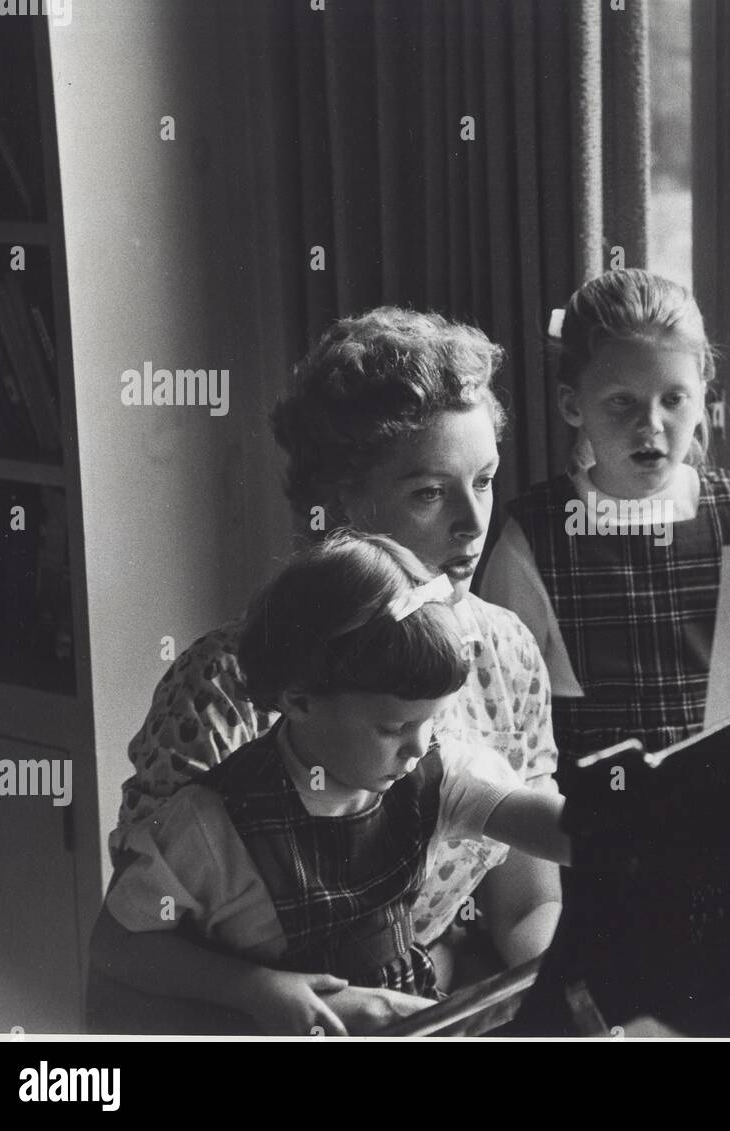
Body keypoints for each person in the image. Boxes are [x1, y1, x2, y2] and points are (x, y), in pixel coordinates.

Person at [95, 308, 561, 1030]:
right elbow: (133, 969)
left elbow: (528, 903)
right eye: (429, 492)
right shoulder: (225, 691)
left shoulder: (503, 653)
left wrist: (553, 998)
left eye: (486, 479)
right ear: (339, 505)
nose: (474, 523)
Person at [98, 533, 570, 1036]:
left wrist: (634, 832)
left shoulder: (437, 772)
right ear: (299, 701)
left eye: (431, 721)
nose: (417, 747)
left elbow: (550, 824)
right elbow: (119, 945)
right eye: (393, 728)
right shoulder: (209, 823)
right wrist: (251, 987)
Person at [480, 268, 730, 773]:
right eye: (622, 401)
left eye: (674, 399)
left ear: (703, 393)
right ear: (573, 404)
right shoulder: (534, 539)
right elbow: (503, 720)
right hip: (599, 823)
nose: (651, 425)